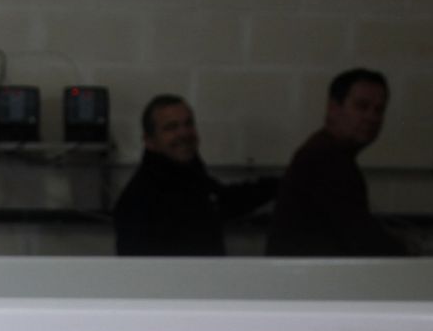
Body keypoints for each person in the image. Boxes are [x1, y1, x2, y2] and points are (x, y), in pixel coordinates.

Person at [266, 68, 412, 256]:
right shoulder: (326, 159)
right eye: (361, 106)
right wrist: (406, 250)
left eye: (379, 110)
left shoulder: (326, 153)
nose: (372, 117)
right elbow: (362, 238)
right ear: (334, 108)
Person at [112, 94, 279, 257]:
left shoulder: (190, 176)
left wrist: (280, 186)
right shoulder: (138, 202)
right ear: (149, 141)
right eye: (171, 127)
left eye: (188, 124)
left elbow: (226, 200)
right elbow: (140, 270)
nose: (184, 133)